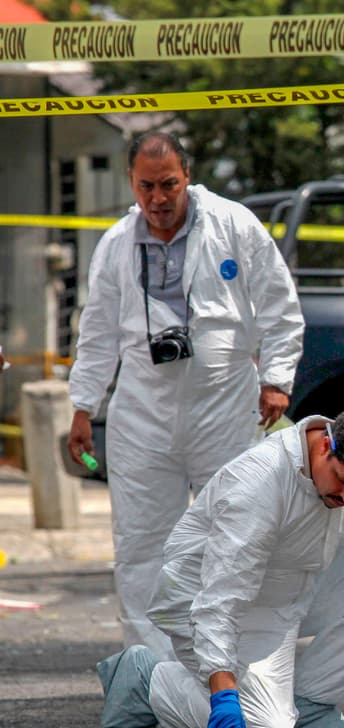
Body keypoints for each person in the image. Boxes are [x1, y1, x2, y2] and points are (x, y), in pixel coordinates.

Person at [67, 130, 305, 660]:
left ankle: (234, 665)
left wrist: (277, 379)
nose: (157, 199)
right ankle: (150, 674)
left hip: (223, 406)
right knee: (140, 547)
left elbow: (278, 305)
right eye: (146, 186)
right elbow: (99, 331)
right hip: (141, 415)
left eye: (168, 184)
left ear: (188, 177)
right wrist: (82, 406)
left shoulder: (233, 225)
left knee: (237, 534)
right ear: (131, 183)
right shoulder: (115, 244)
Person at [95, 401, 344, 728]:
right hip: (205, 604)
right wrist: (222, 692)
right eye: (343, 483)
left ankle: (310, 706)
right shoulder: (259, 484)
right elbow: (219, 600)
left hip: (290, 593)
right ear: (327, 445)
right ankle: (144, 681)